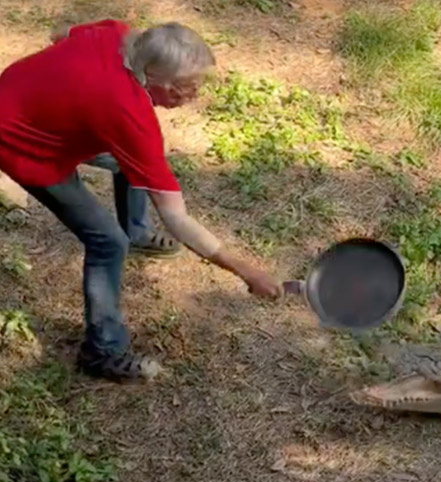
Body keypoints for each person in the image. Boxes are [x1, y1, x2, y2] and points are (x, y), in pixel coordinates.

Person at [0, 19, 283, 382]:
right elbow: (177, 219)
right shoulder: (129, 115)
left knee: (126, 163)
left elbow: (61, 33)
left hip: (19, 100)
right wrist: (246, 270)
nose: (194, 95)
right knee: (106, 242)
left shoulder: (120, 33)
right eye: (185, 88)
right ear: (151, 76)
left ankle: (137, 232)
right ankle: (102, 352)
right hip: (21, 143)